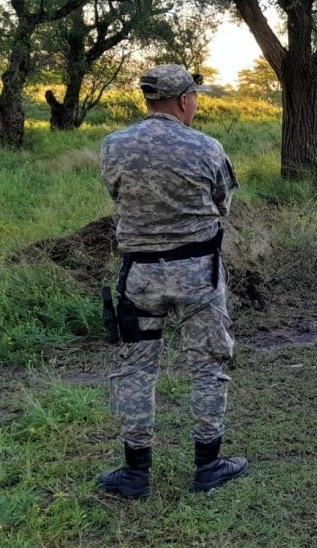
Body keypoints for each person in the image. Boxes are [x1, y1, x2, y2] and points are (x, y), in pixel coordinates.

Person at [96, 64, 247, 499]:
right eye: (194, 97)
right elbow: (224, 204)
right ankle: (208, 465)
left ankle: (136, 473)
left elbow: (117, 195)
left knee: (136, 370)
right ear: (184, 100)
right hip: (198, 274)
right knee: (207, 367)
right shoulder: (207, 147)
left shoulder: (113, 146)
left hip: (139, 276)